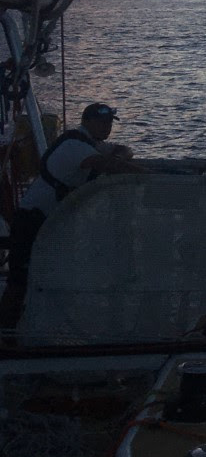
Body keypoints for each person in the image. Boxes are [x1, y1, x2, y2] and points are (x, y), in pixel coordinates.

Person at [0, 102, 146, 329]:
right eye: (101, 121)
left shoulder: (92, 144)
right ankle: (6, 334)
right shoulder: (74, 145)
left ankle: (37, 327)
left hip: (52, 223)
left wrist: (120, 154)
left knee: (49, 277)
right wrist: (148, 175)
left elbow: (124, 150)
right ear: (86, 122)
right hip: (32, 220)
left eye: (109, 122)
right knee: (19, 281)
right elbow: (106, 164)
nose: (106, 126)